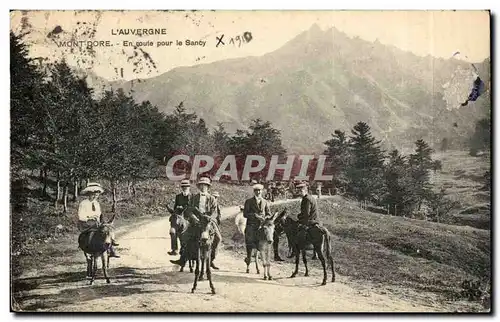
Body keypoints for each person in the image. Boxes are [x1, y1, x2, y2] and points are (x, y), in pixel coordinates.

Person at [170, 177, 222, 270]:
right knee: (185, 237)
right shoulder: (194, 198)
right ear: (199, 187)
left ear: (208, 187)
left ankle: (211, 259)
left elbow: (214, 212)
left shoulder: (212, 198)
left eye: (205, 186)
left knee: (218, 238)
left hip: (208, 221)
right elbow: (189, 210)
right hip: (196, 221)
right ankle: (183, 258)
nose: (203, 187)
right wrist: (194, 219)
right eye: (201, 186)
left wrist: (208, 218)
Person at [77, 182, 120, 258]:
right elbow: (81, 216)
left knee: (107, 229)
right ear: (88, 194)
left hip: (96, 222)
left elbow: (99, 214)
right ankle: (88, 248)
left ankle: (110, 247)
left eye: (96, 195)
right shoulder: (83, 203)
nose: (94, 196)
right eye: (93, 195)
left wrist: (100, 220)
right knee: (94, 231)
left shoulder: (96, 203)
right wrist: (89, 217)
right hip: (85, 223)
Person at [243, 183, 272, 265]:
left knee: (269, 234)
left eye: (260, 190)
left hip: (262, 225)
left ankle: (266, 252)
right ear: (254, 192)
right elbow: (245, 214)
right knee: (249, 239)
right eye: (256, 190)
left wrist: (265, 217)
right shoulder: (248, 201)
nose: (258, 192)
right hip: (252, 225)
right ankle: (249, 256)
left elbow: (269, 213)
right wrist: (255, 216)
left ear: (262, 191)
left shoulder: (265, 202)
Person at [168, 179, 191, 256]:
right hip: (179, 217)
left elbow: (194, 207)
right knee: (172, 231)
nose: (185, 188)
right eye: (183, 187)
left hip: (189, 217)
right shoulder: (178, 196)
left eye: (186, 187)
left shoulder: (193, 196)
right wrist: (177, 209)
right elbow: (175, 208)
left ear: (189, 187)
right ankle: (174, 249)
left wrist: (186, 208)